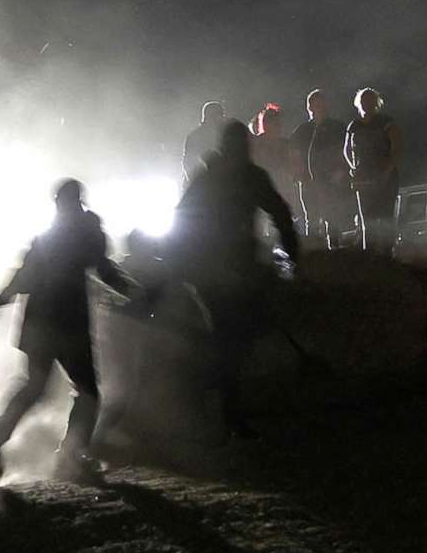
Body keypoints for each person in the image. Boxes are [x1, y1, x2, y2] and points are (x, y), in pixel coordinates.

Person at [0, 180, 139, 485]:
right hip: (68, 324)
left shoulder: (48, 237)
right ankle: (71, 455)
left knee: (37, 386)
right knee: (87, 391)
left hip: (40, 323)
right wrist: (130, 289)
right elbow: (102, 267)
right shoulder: (85, 232)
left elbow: (24, 277)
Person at [163, 119, 301, 439]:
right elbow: (280, 214)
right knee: (231, 338)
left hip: (216, 269)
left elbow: (181, 219)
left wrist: (179, 262)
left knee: (231, 335)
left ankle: (216, 400)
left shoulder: (210, 177)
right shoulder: (246, 176)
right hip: (225, 269)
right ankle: (224, 408)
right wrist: (291, 255)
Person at [345, 88, 404, 251]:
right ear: (359, 103)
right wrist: (355, 168)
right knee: (367, 218)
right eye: (364, 100)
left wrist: (386, 171)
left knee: (385, 216)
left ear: (376, 103)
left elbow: (397, 147)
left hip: (385, 177)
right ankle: (369, 254)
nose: (367, 103)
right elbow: (347, 150)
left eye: (371, 100)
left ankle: (387, 252)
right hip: (363, 178)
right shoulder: (354, 126)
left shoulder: (386, 122)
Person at [289, 88, 347, 245]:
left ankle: (334, 251)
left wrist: (340, 171)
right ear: (309, 107)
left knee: (332, 218)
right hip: (308, 183)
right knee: (312, 220)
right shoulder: (302, 130)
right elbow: (294, 154)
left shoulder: (337, 127)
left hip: (330, 182)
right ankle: (314, 253)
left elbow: (345, 151)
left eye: (321, 104)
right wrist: (299, 173)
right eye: (314, 105)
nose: (318, 108)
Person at [182, 102, 226, 173]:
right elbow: (189, 161)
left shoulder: (224, 134)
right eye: (219, 115)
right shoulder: (195, 136)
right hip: (203, 178)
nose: (221, 118)